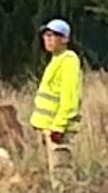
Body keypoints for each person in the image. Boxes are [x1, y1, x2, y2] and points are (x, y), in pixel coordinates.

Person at [30, 18, 82, 179]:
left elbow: (69, 98)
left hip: (58, 130)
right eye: (46, 35)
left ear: (65, 39)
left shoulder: (68, 61)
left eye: (53, 35)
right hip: (49, 128)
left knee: (61, 174)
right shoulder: (56, 60)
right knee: (55, 173)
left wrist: (58, 127)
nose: (48, 39)